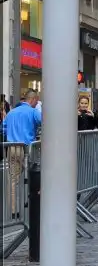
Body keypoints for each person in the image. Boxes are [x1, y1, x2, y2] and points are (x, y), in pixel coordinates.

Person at [2, 89, 42, 218]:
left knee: (13, 180)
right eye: (37, 101)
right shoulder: (33, 112)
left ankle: (14, 211)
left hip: (12, 148)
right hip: (27, 148)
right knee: (34, 176)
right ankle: (32, 202)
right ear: (33, 99)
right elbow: (44, 123)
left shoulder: (11, 112)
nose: (37, 104)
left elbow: (3, 129)